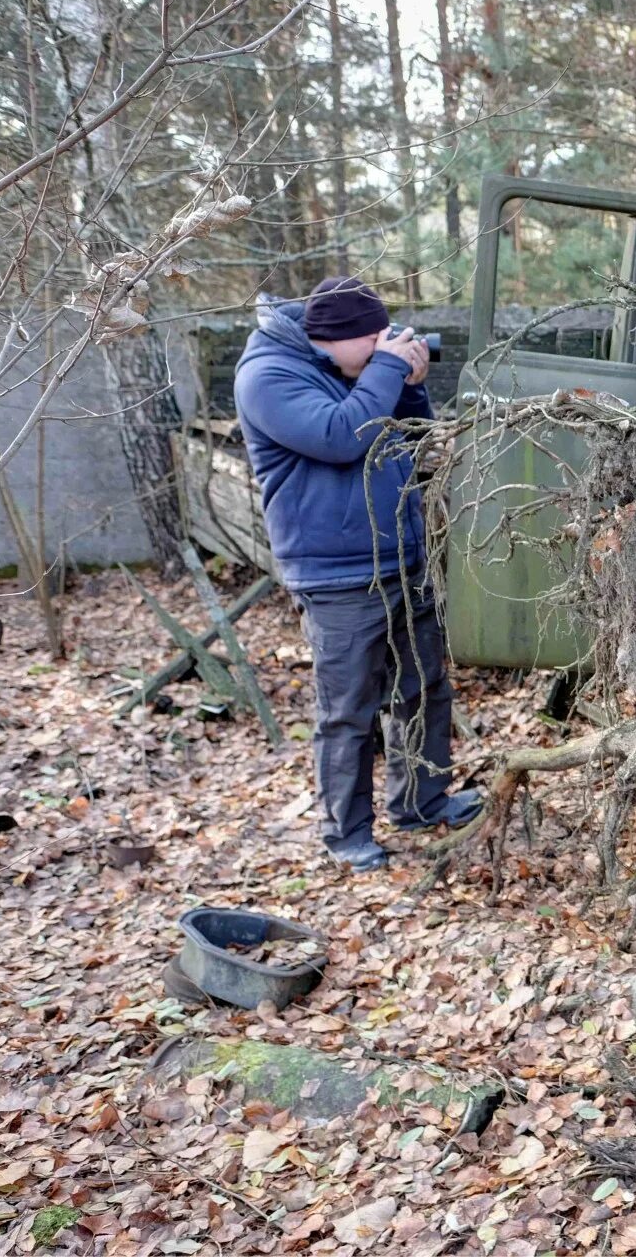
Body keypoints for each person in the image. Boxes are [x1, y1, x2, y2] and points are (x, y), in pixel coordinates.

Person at [234, 276, 480, 871]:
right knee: (349, 711)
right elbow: (344, 436)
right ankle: (347, 835)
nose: (382, 349)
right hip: (336, 576)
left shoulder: (354, 371)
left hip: (400, 558)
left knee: (423, 689)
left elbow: (407, 440)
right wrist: (387, 371)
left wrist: (412, 387)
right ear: (332, 339)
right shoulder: (267, 376)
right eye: (374, 340)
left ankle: (422, 801)